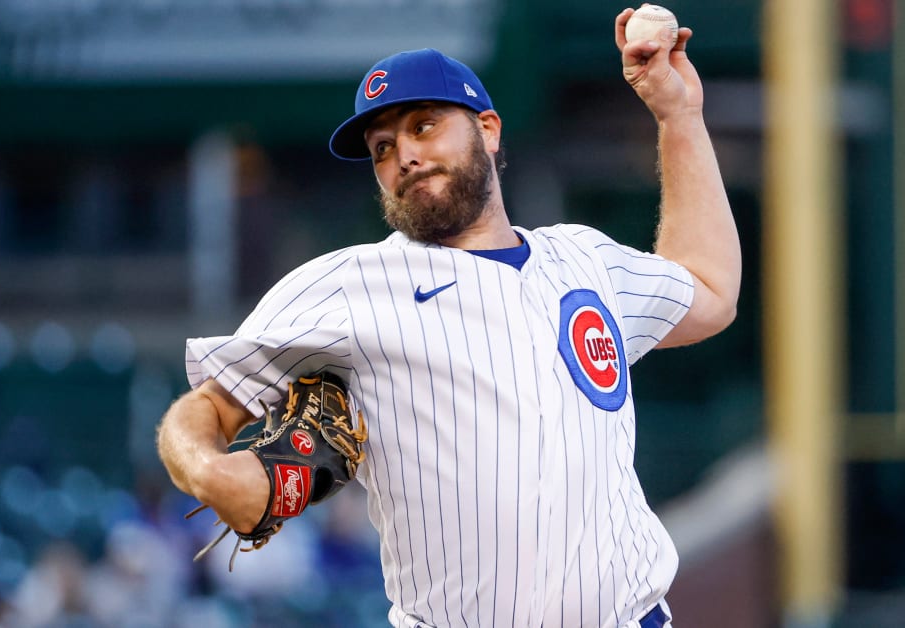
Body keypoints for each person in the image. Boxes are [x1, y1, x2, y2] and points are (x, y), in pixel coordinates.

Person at [157, 7, 741, 627]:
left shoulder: (583, 258)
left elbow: (710, 291)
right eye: (383, 148)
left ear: (488, 128)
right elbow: (202, 410)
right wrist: (213, 473)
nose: (404, 154)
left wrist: (678, 115)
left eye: (424, 125)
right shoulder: (347, 286)